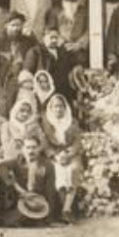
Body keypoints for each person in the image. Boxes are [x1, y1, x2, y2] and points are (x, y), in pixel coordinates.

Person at [0, 135, 59, 227]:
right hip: (21, 202)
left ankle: (35, 219)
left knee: (39, 221)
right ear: (22, 149)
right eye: (28, 148)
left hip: (38, 202)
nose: (31, 151)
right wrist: (14, 184)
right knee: (12, 218)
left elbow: (50, 191)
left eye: (34, 147)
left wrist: (50, 217)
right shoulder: (17, 163)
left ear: (39, 148)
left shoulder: (47, 166)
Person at [42, 93, 82, 223]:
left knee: (73, 169)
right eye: (55, 107)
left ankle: (66, 209)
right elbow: (45, 144)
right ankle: (65, 208)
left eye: (60, 106)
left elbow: (77, 141)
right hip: (55, 155)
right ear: (51, 108)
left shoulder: (72, 121)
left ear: (65, 108)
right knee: (58, 172)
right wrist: (55, 155)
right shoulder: (46, 123)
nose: (58, 109)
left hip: (71, 154)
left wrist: (69, 153)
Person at [49, 0, 90, 69]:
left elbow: (88, 31)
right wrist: (62, 43)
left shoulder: (83, 11)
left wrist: (78, 45)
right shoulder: (56, 11)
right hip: (61, 49)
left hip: (79, 50)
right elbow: (52, 29)